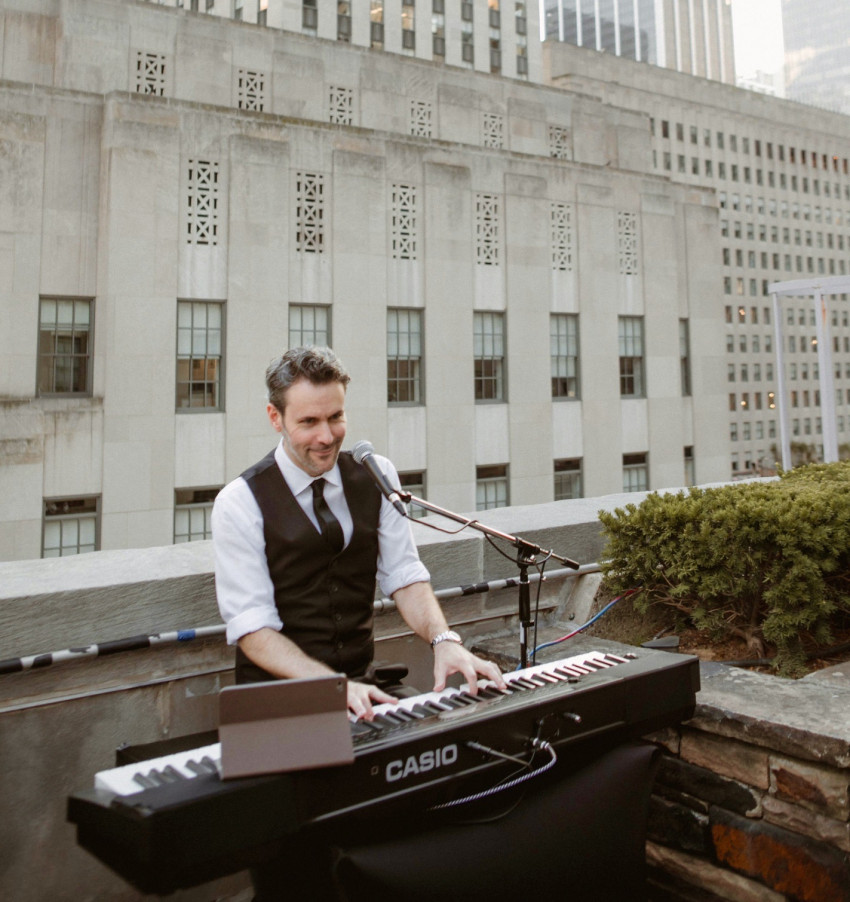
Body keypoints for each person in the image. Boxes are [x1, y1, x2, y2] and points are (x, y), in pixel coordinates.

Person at [211, 345, 505, 722]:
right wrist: (335, 687)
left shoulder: (374, 474)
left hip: (362, 690)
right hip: (279, 706)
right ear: (275, 417)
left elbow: (404, 574)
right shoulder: (239, 501)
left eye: (336, 417)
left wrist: (444, 641)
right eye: (308, 422)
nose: (326, 436)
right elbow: (252, 628)